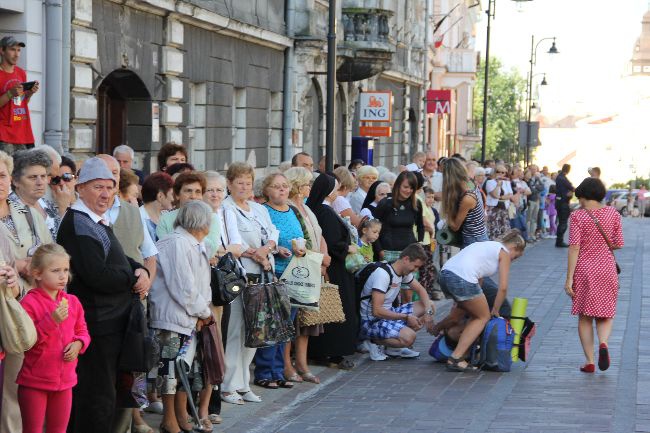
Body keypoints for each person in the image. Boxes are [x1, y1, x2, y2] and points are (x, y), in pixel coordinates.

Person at [56, 157, 150, 433]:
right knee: (96, 399)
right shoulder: (79, 223)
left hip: (112, 323)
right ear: (81, 188)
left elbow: (118, 258)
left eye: (110, 187)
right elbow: (97, 275)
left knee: (107, 396)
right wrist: (132, 278)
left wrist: (139, 269)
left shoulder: (96, 220)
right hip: (98, 325)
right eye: (98, 187)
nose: (106, 194)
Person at [0, 149, 52, 433]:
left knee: (22, 384)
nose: (0, 181)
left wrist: (32, 266)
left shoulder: (29, 214)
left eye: (3, 175)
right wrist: (14, 265)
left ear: (11, 179)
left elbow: (52, 257)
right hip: (3, 306)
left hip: (29, 310)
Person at [221, 162, 278, 404]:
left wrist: (267, 249)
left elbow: (273, 231)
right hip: (241, 274)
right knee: (236, 329)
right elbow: (232, 241)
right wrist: (256, 253)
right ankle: (228, 385)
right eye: (239, 183)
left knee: (255, 329)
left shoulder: (258, 208)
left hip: (264, 275)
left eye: (248, 182)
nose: (245, 187)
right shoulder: (226, 208)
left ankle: (244, 383)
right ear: (230, 184)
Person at [17, 243, 90, 433]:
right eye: (55, 270)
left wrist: (79, 343)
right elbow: (27, 342)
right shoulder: (28, 303)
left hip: (65, 382)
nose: (62, 276)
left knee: (59, 430)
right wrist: (52, 320)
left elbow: (83, 331)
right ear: (37, 273)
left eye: (65, 270)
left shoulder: (73, 302)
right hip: (34, 382)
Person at [438, 230, 526, 371]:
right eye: (516, 257)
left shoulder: (487, 246)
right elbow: (503, 288)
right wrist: (495, 310)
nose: (513, 260)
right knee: (483, 317)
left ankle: (458, 347)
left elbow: (479, 280)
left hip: (445, 275)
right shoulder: (503, 252)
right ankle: (456, 358)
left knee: (473, 315)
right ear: (514, 248)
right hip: (462, 278)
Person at [251, 172, 307, 390]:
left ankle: (278, 369)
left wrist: (301, 248)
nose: (282, 190)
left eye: (284, 186)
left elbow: (301, 236)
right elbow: (262, 240)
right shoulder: (264, 211)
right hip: (274, 274)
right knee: (271, 325)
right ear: (266, 191)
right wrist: (276, 250)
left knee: (285, 327)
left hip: (294, 274)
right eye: (276, 186)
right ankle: (265, 371)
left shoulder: (292, 210)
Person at [565, 178, 623, 373]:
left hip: (585, 269)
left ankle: (590, 361)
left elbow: (574, 247)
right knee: (606, 314)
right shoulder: (613, 213)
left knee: (585, 317)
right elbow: (617, 243)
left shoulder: (578, 217)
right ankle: (604, 343)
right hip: (607, 268)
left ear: (584, 196)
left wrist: (569, 278)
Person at [306, 173, 358, 370]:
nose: (337, 192)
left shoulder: (317, 209)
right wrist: (348, 248)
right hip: (335, 269)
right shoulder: (325, 212)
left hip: (331, 267)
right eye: (335, 189)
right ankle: (333, 353)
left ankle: (322, 352)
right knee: (336, 310)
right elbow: (334, 241)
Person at [284, 166, 330, 384]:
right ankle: (287, 364)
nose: (309, 188)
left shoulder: (306, 207)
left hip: (315, 266)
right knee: (292, 320)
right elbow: (298, 239)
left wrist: (325, 255)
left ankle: (302, 363)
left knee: (307, 319)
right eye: (306, 184)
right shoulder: (291, 207)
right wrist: (317, 260)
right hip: (301, 269)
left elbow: (318, 233)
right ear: (296, 186)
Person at [359, 243, 434, 360]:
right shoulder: (383, 274)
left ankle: (393, 348)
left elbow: (421, 290)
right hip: (371, 321)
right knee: (409, 337)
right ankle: (372, 342)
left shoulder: (402, 272)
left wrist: (428, 314)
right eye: (415, 266)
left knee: (429, 305)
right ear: (406, 259)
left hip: (388, 313)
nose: (415, 271)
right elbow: (377, 311)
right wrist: (406, 317)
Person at [156, 172, 221, 259]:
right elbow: (165, 250)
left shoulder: (212, 218)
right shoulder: (165, 219)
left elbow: (211, 250)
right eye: (188, 191)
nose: (193, 196)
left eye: (198, 192)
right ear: (177, 195)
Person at [10, 149, 65, 239]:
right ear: (16, 181)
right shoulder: (9, 210)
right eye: (33, 177)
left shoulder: (46, 204)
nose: (40, 182)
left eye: (43, 176)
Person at [374, 171, 424, 263]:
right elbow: (373, 228)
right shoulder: (385, 203)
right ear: (398, 185)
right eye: (405, 187)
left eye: (412, 188)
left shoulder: (416, 204)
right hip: (388, 252)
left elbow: (420, 226)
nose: (408, 190)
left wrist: (419, 245)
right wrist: (380, 251)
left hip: (410, 253)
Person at [0, 36, 38, 156]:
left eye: (18, 50)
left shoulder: (21, 73)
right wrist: (10, 93)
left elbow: (21, 102)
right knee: (7, 172)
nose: (16, 54)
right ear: (2, 50)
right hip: (4, 134)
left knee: (26, 172)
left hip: (23, 132)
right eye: (12, 50)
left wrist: (29, 93)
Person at [441, 158, 488, 248]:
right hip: (479, 238)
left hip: (473, 241)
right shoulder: (471, 184)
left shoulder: (468, 198)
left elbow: (455, 226)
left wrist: (447, 214)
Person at [140, 172, 174, 243]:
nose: (173, 199)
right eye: (171, 194)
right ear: (160, 196)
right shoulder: (139, 219)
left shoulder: (167, 216)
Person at [485, 164, 513, 240]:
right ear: (494, 172)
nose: (501, 174)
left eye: (503, 172)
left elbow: (510, 194)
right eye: (498, 172)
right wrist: (498, 185)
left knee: (504, 231)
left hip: (504, 209)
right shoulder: (490, 182)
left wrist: (501, 197)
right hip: (494, 210)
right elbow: (495, 195)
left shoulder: (507, 182)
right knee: (494, 231)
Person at [554, 164, 574, 247]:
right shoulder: (562, 178)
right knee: (563, 222)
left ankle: (559, 240)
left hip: (561, 201)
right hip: (563, 202)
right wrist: (571, 191)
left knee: (562, 222)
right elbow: (571, 187)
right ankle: (559, 241)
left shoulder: (560, 177)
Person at [525, 166, 544, 239]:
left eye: (535, 169)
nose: (534, 171)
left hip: (537, 200)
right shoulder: (528, 180)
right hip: (531, 200)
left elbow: (542, 187)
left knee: (534, 219)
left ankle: (532, 235)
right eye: (532, 169)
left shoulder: (537, 178)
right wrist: (537, 188)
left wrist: (535, 187)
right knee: (529, 219)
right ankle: (528, 235)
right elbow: (531, 190)